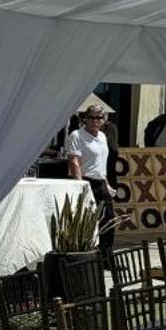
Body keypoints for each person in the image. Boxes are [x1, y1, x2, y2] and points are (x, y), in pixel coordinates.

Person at [65, 97, 118, 249]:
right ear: (85, 119)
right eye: (91, 117)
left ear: (104, 120)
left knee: (108, 219)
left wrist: (107, 184)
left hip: (100, 181)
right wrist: (81, 184)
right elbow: (74, 161)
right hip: (85, 180)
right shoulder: (77, 135)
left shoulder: (102, 136)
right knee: (86, 219)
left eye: (99, 118)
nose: (95, 121)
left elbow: (101, 163)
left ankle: (106, 256)